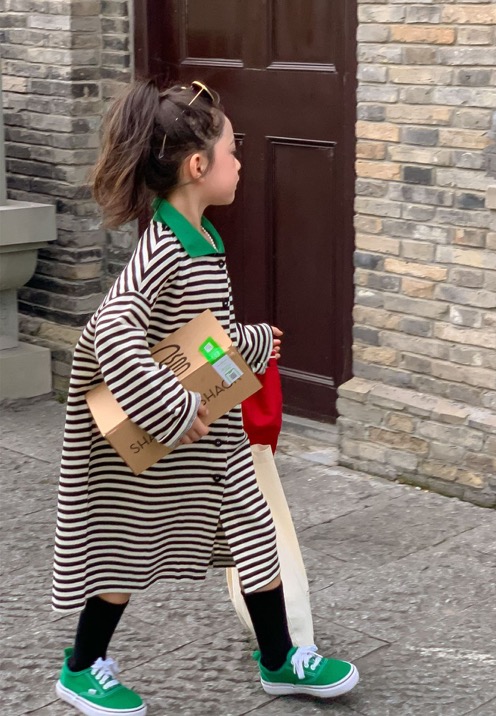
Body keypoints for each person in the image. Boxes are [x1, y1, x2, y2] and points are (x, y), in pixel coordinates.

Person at [52, 79, 358, 716]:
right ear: (198, 166)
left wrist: (249, 341)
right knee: (125, 554)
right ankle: (81, 668)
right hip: (162, 440)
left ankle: (279, 659)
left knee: (256, 536)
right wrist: (174, 408)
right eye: (232, 151)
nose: (240, 162)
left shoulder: (201, 238)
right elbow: (111, 328)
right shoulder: (162, 250)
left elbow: (195, 332)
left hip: (216, 440)